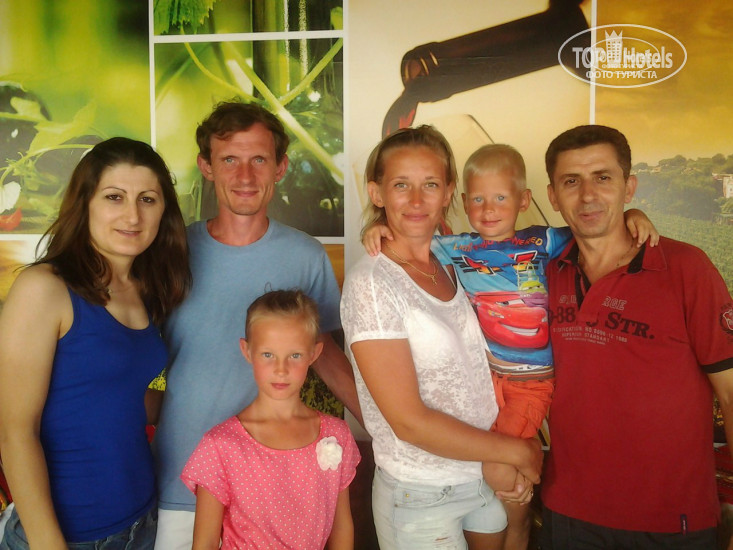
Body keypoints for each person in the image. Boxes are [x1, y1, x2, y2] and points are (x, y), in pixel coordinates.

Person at [362, 143, 658, 549]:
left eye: (500, 198)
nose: (488, 210)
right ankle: (520, 505)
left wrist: (632, 216)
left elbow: (597, 229)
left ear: (524, 200)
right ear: (462, 200)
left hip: (529, 383)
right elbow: (406, 242)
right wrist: (376, 230)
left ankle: (520, 527)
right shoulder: (455, 248)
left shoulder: (542, 241)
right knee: (505, 462)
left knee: (500, 472)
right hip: (487, 381)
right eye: (478, 200)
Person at [152, 100, 361, 549]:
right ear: (206, 166)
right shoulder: (171, 253)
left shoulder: (306, 256)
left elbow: (324, 354)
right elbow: (133, 356)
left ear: (280, 167)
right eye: (230, 159)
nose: (245, 176)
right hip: (180, 481)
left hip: (273, 492)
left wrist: (384, 427)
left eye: (259, 160)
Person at [341, 125, 544, 550]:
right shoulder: (372, 283)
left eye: (430, 184)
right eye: (401, 185)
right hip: (422, 490)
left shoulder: (456, 259)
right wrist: (517, 452)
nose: (417, 200)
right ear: (377, 193)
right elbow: (409, 422)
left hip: (484, 475)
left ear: (449, 192)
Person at [540, 124, 733, 549]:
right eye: (571, 181)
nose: (587, 195)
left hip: (673, 521)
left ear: (629, 187)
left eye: (603, 177)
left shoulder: (686, 268)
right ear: (552, 196)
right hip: (569, 512)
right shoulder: (543, 273)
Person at [0, 137, 191, 549]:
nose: (132, 215)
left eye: (147, 199)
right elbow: (14, 432)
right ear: (85, 203)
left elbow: (118, 395)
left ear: (164, 211)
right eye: (114, 197)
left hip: (141, 522)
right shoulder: (44, 288)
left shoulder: (145, 289)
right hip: (66, 536)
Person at [181, 289, 360, 550]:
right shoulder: (221, 445)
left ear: (314, 353)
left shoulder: (336, 434)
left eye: (295, 355)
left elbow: (342, 526)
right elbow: (205, 542)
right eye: (268, 355)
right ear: (247, 351)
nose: (281, 369)